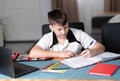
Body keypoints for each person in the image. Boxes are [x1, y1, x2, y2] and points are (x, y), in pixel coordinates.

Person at [29, 9, 105, 60]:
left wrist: (92, 51)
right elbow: (32, 53)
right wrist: (59, 54)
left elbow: (101, 47)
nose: (63, 32)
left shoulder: (79, 33)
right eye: (59, 29)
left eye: (65, 27)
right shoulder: (48, 37)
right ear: (51, 28)